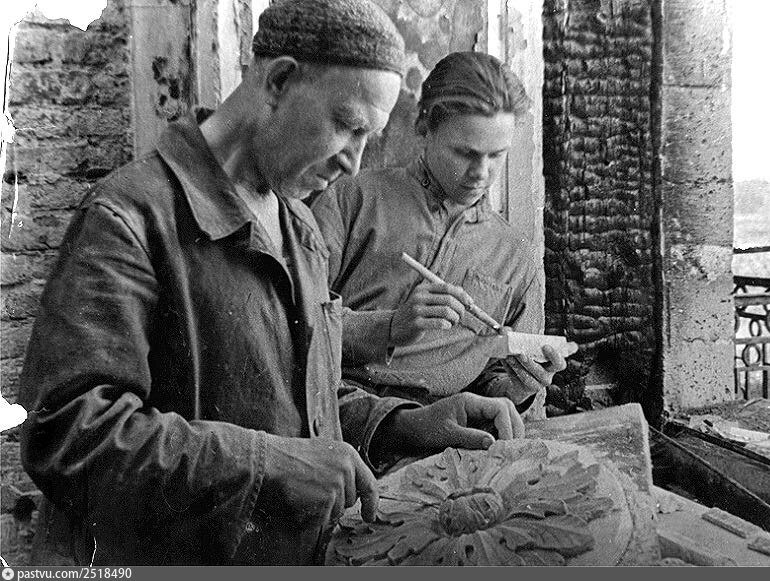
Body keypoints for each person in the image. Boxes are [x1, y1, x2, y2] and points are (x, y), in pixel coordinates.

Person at [17, 1, 525, 566]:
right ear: (280, 80)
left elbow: (300, 406)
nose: (354, 163)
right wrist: (273, 466)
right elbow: (67, 436)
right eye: (347, 126)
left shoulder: (299, 226)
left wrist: (405, 425)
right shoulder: (129, 218)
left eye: (370, 137)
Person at [310, 51, 577, 417]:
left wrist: (519, 388)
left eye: (496, 155)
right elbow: (294, 325)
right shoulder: (352, 199)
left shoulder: (514, 257)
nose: (480, 173)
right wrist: (390, 327)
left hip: (446, 427)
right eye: (465, 153)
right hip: (336, 410)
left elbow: (493, 386)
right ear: (425, 128)